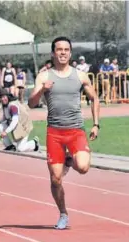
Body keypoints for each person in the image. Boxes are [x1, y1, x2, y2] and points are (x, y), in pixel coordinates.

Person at [28, 37, 100, 230]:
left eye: (66, 49)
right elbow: (31, 103)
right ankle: (63, 213)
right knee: (55, 178)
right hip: (55, 133)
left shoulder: (80, 76)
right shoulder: (44, 77)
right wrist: (42, 89)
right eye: (59, 49)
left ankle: (70, 160)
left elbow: (94, 98)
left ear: (70, 52)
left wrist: (96, 124)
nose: (63, 53)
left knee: (83, 167)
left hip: (76, 130)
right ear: (53, 53)